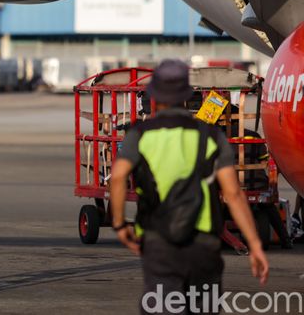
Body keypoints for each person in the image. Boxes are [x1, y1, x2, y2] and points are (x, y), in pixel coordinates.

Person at [110, 59, 268, 314]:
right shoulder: (211, 135)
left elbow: (117, 178)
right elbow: (233, 193)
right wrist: (254, 244)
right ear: (186, 96)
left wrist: (119, 224)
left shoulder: (139, 135)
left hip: (159, 243)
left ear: (154, 97)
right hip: (203, 243)